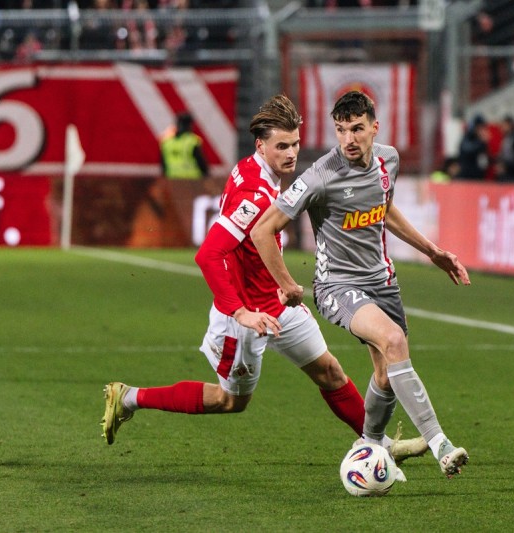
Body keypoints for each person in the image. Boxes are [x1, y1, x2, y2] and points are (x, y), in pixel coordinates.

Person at [101, 95, 427, 467]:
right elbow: (208, 255)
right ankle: (129, 397)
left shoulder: (259, 172)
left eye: (295, 144)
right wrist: (240, 313)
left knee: (330, 371)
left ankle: (378, 444)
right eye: (282, 146)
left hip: (275, 304)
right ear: (261, 145)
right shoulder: (254, 195)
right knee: (231, 401)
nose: (291, 154)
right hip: (245, 314)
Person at [251, 90, 470, 479]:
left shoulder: (389, 159)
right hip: (337, 286)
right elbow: (262, 230)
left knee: (386, 372)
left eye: (356, 129)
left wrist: (433, 251)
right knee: (395, 342)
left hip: (382, 281)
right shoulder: (320, 175)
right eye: (340, 130)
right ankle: (441, 444)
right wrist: (285, 282)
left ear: (374, 128)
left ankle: (369, 446)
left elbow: (384, 209)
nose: (348, 140)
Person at [159, 111, 209, 180]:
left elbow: (163, 166)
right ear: (189, 125)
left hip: (172, 181)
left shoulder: (167, 142)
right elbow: (202, 164)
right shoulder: (192, 141)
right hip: (192, 181)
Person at [456, 114, 489, 180]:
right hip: (467, 174)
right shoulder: (468, 137)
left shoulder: (479, 139)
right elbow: (467, 150)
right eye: (480, 127)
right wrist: (481, 142)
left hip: (478, 174)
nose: (482, 130)